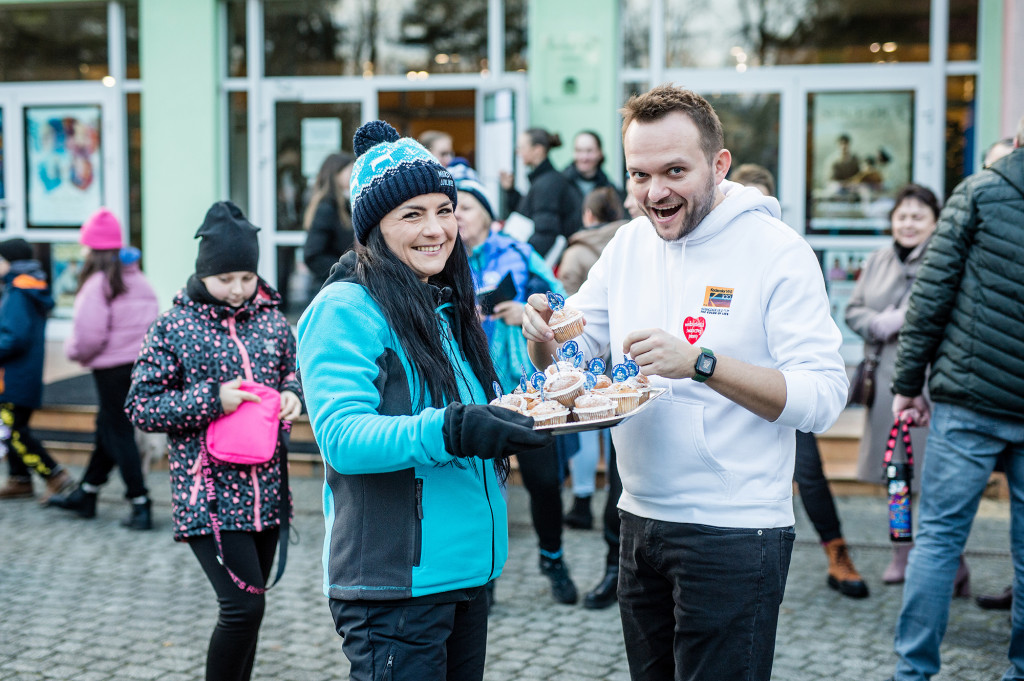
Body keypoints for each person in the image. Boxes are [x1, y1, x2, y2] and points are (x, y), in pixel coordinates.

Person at [523, 84, 848, 680]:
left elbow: (823, 397)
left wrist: (702, 362)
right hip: (637, 518)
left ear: (718, 164)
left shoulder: (777, 252)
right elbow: (573, 351)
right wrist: (544, 327)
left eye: (675, 171)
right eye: (640, 175)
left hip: (734, 530)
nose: (655, 193)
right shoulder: (628, 245)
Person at [296, 120, 550, 681]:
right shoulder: (346, 309)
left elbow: (472, 410)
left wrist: (543, 395)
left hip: (466, 573)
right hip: (393, 587)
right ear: (373, 229)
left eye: (443, 209)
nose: (436, 229)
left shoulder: (444, 305)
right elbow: (342, 439)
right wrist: (454, 429)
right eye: (412, 215)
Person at [124, 200, 301, 681]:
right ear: (204, 273)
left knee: (253, 611)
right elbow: (140, 405)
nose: (239, 290)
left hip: (268, 490)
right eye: (227, 280)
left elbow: (294, 370)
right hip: (209, 495)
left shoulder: (272, 320)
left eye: (247, 277)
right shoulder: (173, 326)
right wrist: (211, 399)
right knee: (241, 610)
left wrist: (292, 394)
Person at [884, 117, 1024, 681]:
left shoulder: (981, 192)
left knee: (938, 540)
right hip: (974, 400)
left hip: (969, 400)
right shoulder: (980, 194)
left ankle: (913, 672)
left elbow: (931, 297)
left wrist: (906, 385)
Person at [734, 163, 868, 599]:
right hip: (723, 395)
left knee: (809, 473)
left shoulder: (787, 257)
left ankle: (837, 551)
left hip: (782, 392)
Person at [455, 175, 580, 605]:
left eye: (465, 207)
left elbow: (560, 297)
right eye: (451, 208)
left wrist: (526, 310)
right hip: (473, 389)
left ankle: (553, 559)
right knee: (483, 485)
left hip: (528, 386)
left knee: (544, 482)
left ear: (489, 215)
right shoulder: (442, 260)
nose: (455, 216)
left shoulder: (520, 252)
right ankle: (484, 576)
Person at [845, 184, 949, 587]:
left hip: (931, 386)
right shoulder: (877, 260)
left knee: (938, 481)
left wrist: (910, 317)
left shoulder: (945, 260)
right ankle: (901, 554)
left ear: (935, 222)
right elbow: (853, 310)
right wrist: (876, 323)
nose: (908, 224)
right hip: (889, 386)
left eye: (918, 216)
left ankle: (949, 562)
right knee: (898, 478)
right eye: (902, 216)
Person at [48, 209, 159, 530]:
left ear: (93, 249)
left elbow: (88, 335)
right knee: (106, 428)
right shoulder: (138, 278)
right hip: (138, 364)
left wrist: (74, 352)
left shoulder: (97, 283)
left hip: (110, 368)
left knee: (118, 430)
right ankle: (87, 493)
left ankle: (140, 502)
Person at [557, 186, 627, 530]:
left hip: (585, 348)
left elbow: (566, 305)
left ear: (588, 216)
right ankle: (615, 505)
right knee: (621, 422)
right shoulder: (632, 245)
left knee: (586, 426)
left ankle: (583, 500)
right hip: (627, 354)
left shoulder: (578, 252)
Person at [0, 238, 74, 502]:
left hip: (14, 376)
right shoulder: (26, 287)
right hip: (22, 374)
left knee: (14, 430)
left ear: (10, 262)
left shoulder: (18, 291)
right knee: (12, 428)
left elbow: (13, 337)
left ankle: (55, 475)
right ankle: (19, 480)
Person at [499, 128, 582, 262]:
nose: (518, 152)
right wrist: (510, 191)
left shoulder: (547, 184)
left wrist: (520, 261)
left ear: (537, 150)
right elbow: (529, 213)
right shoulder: (544, 180)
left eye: (521, 147)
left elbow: (545, 233)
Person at [302, 152, 356, 295]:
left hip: (340, 286)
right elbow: (313, 255)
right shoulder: (327, 207)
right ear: (336, 174)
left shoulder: (343, 205)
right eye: (350, 171)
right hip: (330, 289)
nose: (354, 175)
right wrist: (349, 271)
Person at [562, 130, 623, 204]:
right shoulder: (559, 184)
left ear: (600, 153)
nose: (584, 157)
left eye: (589, 151)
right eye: (579, 150)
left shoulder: (610, 191)